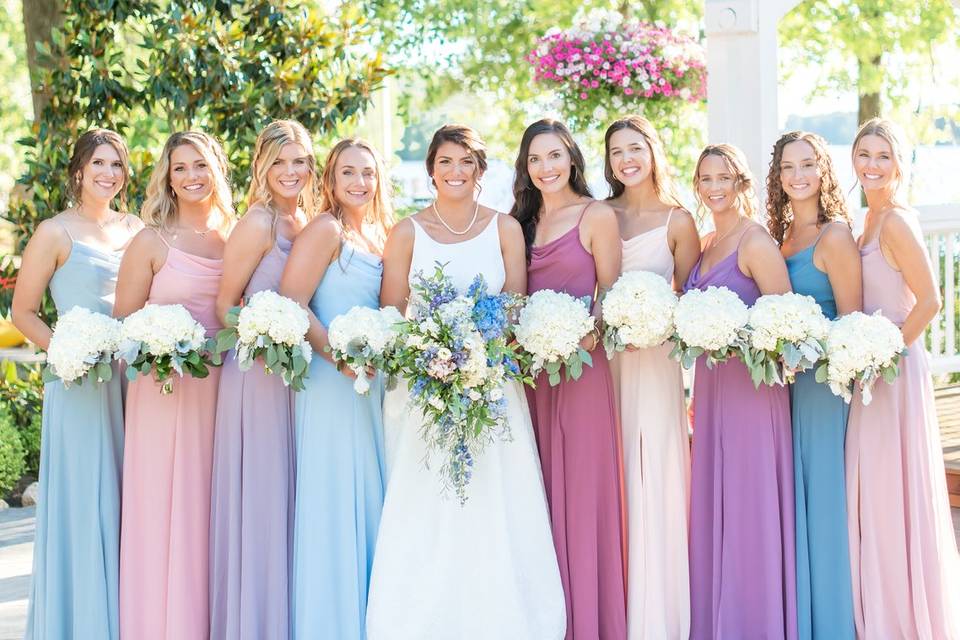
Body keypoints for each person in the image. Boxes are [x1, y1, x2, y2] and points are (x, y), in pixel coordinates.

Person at [366, 124, 565, 640]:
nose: (456, 172)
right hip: (423, 393)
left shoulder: (503, 228)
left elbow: (515, 308)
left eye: (466, 163)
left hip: (493, 386)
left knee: (495, 499)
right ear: (431, 168)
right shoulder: (406, 231)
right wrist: (435, 353)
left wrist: (479, 357)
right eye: (446, 162)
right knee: (428, 503)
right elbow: (391, 314)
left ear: (481, 170)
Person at [13, 128, 142, 640]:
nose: (109, 174)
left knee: (128, 495)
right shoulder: (54, 232)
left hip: (130, 379)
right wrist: (67, 350)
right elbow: (23, 311)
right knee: (87, 497)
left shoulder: (136, 227)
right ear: (78, 171)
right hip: (79, 382)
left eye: (117, 165)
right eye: (99, 164)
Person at [845, 118, 960, 638]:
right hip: (865, 370)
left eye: (883, 156)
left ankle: (901, 619)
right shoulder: (863, 220)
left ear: (899, 163)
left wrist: (882, 354)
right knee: (871, 488)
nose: (871, 164)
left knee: (892, 489)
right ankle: (876, 606)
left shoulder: (896, 223)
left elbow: (931, 301)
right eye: (864, 154)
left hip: (891, 369)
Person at [511, 118, 626, 640]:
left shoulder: (595, 215)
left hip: (581, 371)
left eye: (554, 156)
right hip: (533, 378)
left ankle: (590, 622)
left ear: (572, 159)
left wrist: (577, 341)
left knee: (582, 491)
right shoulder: (521, 223)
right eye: (535, 159)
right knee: (537, 491)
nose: (545, 168)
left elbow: (611, 299)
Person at [115, 131, 232, 640]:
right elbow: (123, 325)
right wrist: (160, 350)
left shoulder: (234, 236)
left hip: (222, 389)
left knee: (209, 508)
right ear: (167, 175)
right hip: (160, 394)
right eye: (181, 167)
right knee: (160, 509)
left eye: (200, 165)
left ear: (216, 170)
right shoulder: (150, 240)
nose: (191, 177)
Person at [208, 120, 316, 640]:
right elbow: (225, 306)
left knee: (296, 498)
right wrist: (264, 329)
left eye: (299, 161)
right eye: (280, 162)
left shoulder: (311, 221)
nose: (290, 171)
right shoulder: (257, 224)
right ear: (262, 167)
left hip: (301, 379)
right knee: (262, 501)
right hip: (256, 375)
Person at [684, 144, 797, 640]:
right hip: (710, 389)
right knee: (716, 501)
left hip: (752, 390)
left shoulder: (755, 242)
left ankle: (755, 622)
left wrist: (738, 335)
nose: (714, 188)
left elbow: (787, 327)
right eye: (705, 179)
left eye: (723, 178)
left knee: (749, 502)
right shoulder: (708, 240)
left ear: (741, 182)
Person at [603, 115, 700, 640]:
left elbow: (690, 300)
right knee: (613, 466)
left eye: (634, 148)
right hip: (607, 361)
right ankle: (616, 599)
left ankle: (660, 608)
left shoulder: (677, 220)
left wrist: (655, 322)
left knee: (657, 466)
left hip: (657, 358)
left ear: (653, 150)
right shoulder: (601, 214)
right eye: (616, 151)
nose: (626, 160)